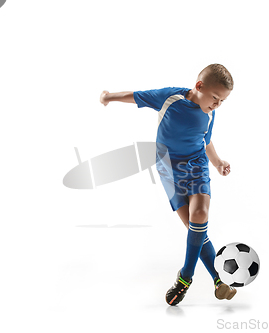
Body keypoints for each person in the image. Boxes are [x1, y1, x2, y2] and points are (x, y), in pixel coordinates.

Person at [100, 64, 237, 306]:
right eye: (215, 98)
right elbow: (136, 96)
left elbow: (206, 140)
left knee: (200, 215)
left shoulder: (209, 113)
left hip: (196, 166)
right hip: (168, 169)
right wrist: (109, 96)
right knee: (194, 227)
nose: (216, 105)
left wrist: (217, 163)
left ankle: (185, 277)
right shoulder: (170, 98)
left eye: (222, 101)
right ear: (199, 86)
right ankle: (218, 279)